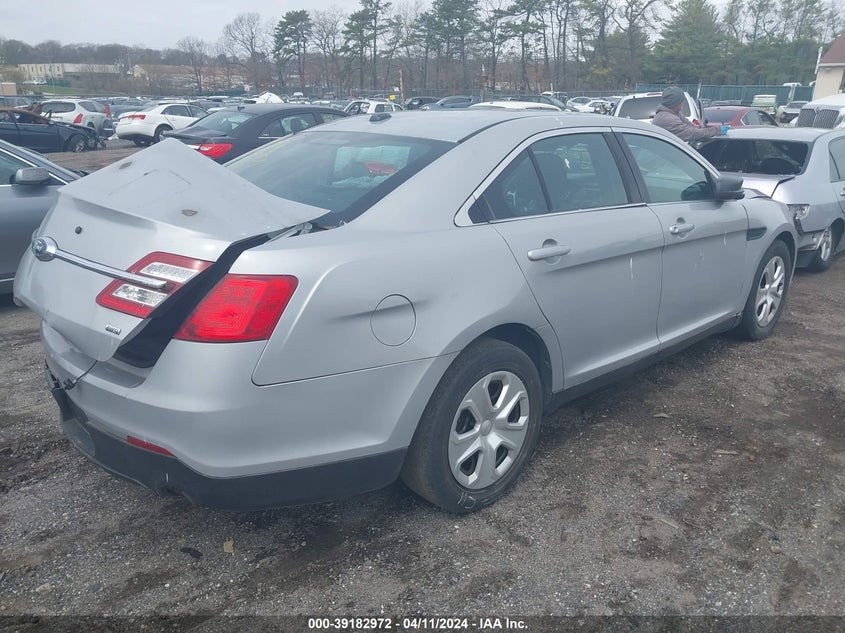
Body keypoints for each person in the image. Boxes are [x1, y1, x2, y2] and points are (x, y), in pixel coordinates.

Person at [652, 86, 722, 142]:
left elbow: (692, 126)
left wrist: (709, 128)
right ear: (676, 102)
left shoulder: (675, 113)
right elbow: (691, 133)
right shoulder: (667, 119)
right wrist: (715, 130)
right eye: (682, 101)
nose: (683, 103)